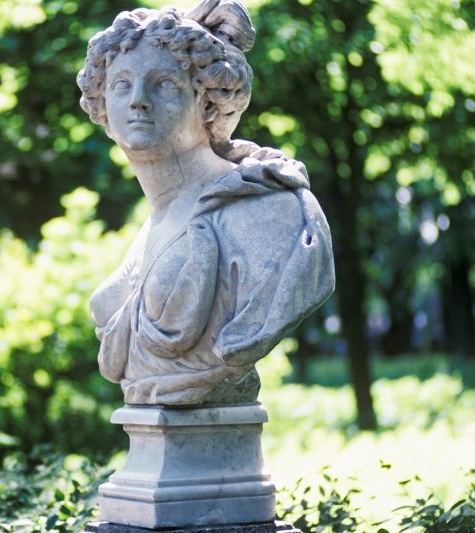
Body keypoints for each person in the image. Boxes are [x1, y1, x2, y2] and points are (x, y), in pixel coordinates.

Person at [76, 0, 335, 405]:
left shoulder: (268, 211)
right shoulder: (155, 225)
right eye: (121, 84)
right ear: (102, 105)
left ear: (209, 102)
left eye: (164, 83)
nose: (138, 100)